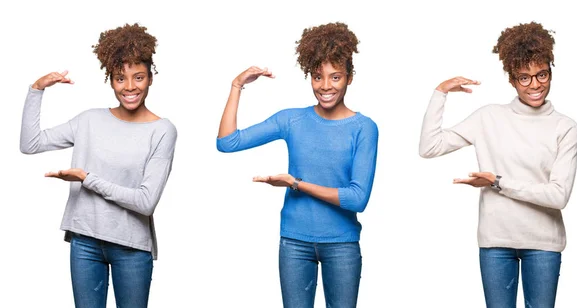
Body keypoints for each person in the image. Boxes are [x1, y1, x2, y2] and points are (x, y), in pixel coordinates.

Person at [217, 22, 378, 307]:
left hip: (341, 244)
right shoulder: (291, 120)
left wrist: (296, 183)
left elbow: (357, 198)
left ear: (350, 77)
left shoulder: (364, 128)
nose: (325, 86)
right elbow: (227, 142)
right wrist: (236, 85)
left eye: (335, 77)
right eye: (317, 77)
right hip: (294, 243)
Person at [419, 21, 577, 307]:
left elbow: (558, 196)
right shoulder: (489, 117)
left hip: (543, 244)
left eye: (541, 74)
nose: (535, 84)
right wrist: (439, 92)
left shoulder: (564, 127)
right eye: (524, 77)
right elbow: (429, 147)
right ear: (512, 80)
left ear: (550, 72)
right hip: (496, 243)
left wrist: (498, 181)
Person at [20, 23, 177, 308]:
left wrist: (86, 178)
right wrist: (36, 90)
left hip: (131, 247)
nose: (130, 87)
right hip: (85, 242)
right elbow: (30, 144)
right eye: (120, 78)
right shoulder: (89, 120)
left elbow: (145, 202)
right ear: (111, 80)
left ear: (150, 78)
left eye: (138, 77)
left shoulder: (162, 130)